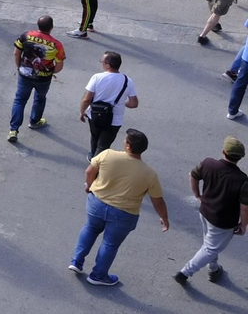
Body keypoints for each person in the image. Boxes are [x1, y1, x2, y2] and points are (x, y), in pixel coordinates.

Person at [72, 129, 168, 287]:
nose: (123, 142)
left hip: (96, 203)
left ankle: (76, 261)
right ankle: (98, 275)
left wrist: (89, 186)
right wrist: (164, 218)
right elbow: (157, 201)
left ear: (129, 147)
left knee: (89, 229)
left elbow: (89, 171)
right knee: (110, 244)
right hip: (123, 214)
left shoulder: (108, 155)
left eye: (125, 140)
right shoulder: (150, 174)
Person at [175, 136, 248, 284]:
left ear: (223, 152)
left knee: (210, 244)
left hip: (205, 211)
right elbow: (245, 207)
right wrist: (243, 225)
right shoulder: (242, 180)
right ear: (240, 158)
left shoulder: (208, 163)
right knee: (210, 248)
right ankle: (184, 273)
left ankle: (213, 269)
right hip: (223, 221)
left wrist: (197, 195)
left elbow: (193, 175)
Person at [8, 16, 66, 143]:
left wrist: (19, 67)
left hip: (25, 75)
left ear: (38, 25)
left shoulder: (26, 36)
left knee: (19, 100)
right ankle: (34, 121)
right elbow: (59, 66)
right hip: (43, 79)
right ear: (51, 27)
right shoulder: (57, 45)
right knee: (40, 98)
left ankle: (13, 130)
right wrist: (50, 72)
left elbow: (16, 53)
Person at [79, 51, 138, 160]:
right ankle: (97, 160)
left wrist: (82, 112)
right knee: (104, 145)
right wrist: (121, 103)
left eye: (102, 61)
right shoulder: (127, 81)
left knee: (95, 136)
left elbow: (87, 99)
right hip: (114, 120)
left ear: (107, 65)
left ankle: (93, 160)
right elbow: (134, 103)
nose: (101, 63)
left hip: (95, 115)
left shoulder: (97, 77)